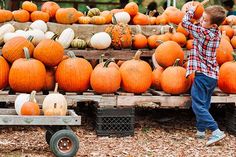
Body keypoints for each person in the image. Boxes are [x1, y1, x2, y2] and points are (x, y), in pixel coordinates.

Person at [181, 4, 226, 146]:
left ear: (212, 24)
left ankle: (216, 131)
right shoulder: (216, 32)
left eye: (205, 20)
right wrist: (201, 18)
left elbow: (184, 23)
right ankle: (200, 131)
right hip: (212, 76)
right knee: (204, 104)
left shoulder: (203, 32)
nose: (201, 21)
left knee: (197, 105)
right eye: (202, 18)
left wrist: (191, 10)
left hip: (203, 75)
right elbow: (199, 25)